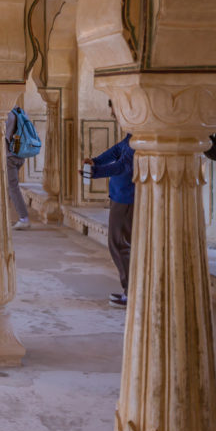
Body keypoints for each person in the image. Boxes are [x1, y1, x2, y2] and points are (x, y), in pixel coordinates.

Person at [83, 101, 135, 308]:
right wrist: (96, 161)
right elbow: (117, 151)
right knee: (121, 244)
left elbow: (124, 165)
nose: (113, 113)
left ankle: (131, 292)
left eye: (115, 108)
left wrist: (96, 172)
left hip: (128, 198)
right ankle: (130, 290)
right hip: (121, 195)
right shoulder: (133, 134)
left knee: (119, 244)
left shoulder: (140, 133)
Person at [5, 107, 33, 230]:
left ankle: (24, 218)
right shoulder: (20, 112)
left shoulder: (7, 115)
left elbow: (3, 136)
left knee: (12, 187)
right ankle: (4, 216)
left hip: (9, 156)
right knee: (9, 187)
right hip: (20, 154)